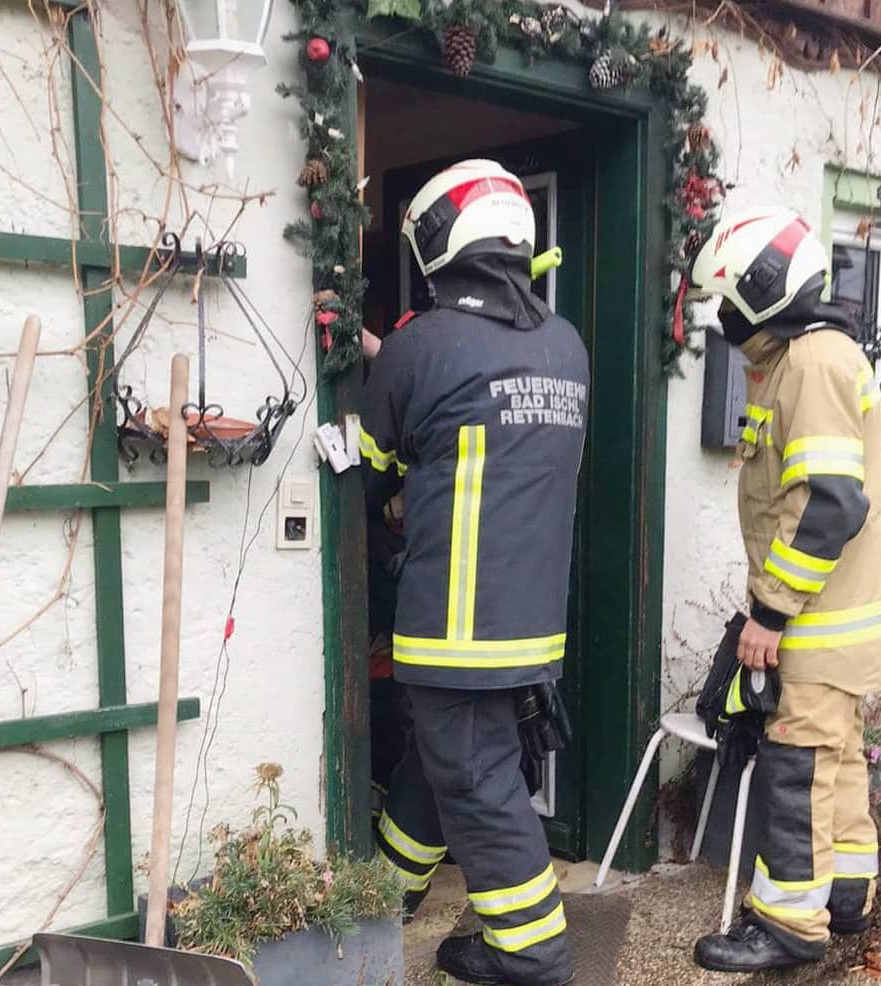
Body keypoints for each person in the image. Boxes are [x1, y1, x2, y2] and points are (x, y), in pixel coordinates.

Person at [359, 158, 588, 986]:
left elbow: (375, 469)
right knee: (442, 760)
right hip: (531, 624)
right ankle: (383, 896)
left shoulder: (420, 347)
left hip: (449, 626)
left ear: (437, 241)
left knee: (479, 783)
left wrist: (381, 368)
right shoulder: (564, 344)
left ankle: (531, 953)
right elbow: (477, 401)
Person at [684, 207, 881, 972]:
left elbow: (828, 503)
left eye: (731, 303)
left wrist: (770, 611)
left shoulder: (811, 364)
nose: (727, 320)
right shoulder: (819, 355)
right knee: (837, 760)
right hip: (845, 623)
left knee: (797, 767)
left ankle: (787, 924)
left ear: (764, 294)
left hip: (816, 623)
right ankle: (845, 898)